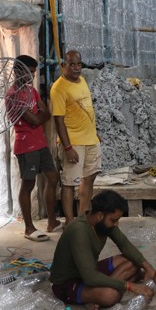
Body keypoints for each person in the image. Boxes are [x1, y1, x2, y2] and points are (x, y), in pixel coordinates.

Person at [49, 190, 156, 310]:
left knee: (133, 261)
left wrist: (148, 268)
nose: (116, 224)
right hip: (67, 283)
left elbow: (125, 245)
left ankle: (95, 293)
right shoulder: (79, 230)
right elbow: (90, 277)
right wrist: (130, 286)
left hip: (88, 272)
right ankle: (93, 295)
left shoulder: (103, 223)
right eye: (113, 220)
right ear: (100, 215)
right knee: (109, 295)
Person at [6, 55, 61, 241]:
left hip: (40, 142)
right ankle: (29, 228)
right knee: (28, 185)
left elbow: (47, 112)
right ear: (16, 71)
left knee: (53, 177)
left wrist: (40, 115)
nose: (31, 76)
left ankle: (52, 221)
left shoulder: (32, 91)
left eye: (33, 72)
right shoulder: (13, 95)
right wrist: (39, 115)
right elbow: (38, 117)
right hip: (25, 145)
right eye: (28, 72)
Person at [50, 50, 100, 223]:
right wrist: (68, 148)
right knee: (70, 183)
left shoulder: (83, 81)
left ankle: (83, 218)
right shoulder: (59, 88)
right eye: (71, 64)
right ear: (63, 65)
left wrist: (95, 133)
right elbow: (58, 121)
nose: (76, 68)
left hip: (91, 140)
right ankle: (70, 223)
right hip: (74, 143)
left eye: (79, 64)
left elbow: (86, 109)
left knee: (89, 178)